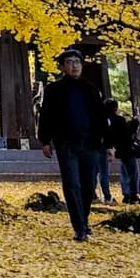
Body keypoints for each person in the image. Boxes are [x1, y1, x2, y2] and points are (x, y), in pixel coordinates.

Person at [38, 49, 108, 242]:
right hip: (66, 143)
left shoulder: (91, 89)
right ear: (61, 67)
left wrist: (108, 144)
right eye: (69, 62)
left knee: (88, 184)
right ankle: (79, 227)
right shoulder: (53, 90)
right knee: (72, 184)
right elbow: (45, 116)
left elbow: (102, 118)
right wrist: (45, 140)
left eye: (77, 62)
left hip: (91, 142)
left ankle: (83, 220)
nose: (74, 66)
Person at [102, 98, 140, 204]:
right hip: (126, 148)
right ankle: (133, 194)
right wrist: (135, 123)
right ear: (115, 108)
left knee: (125, 171)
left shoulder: (106, 120)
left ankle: (127, 194)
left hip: (118, 148)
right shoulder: (119, 120)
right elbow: (126, 132)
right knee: (132, 172)